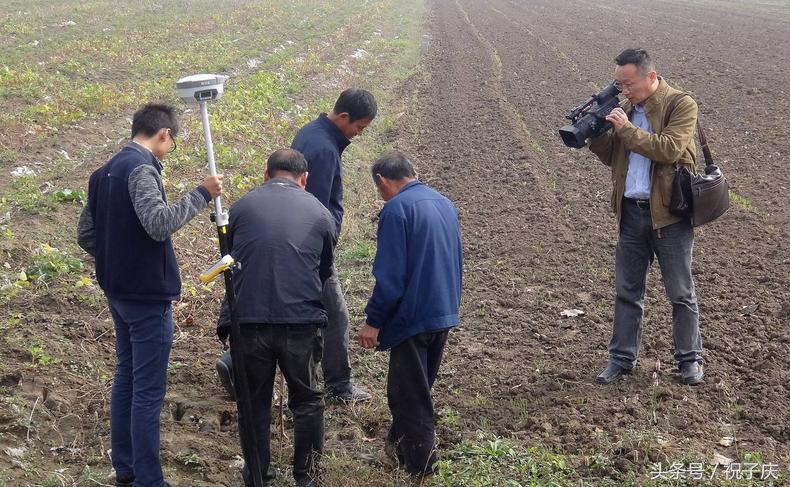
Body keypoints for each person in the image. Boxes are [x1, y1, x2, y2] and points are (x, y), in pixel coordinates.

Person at [77, 103, 223, 487]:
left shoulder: (102, 171)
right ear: (163, 135)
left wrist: (118, 258)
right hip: (145, 296)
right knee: (147, 390)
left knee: (126, 377)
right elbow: (158, 225)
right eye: (172, 142)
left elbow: (86, 235)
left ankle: (125, 468)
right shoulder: (141, 169)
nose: (170, 148)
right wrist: (201, 194)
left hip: (118, 291)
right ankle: (148, 479)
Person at [215, 89, 378, 403]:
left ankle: (236, 361)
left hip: (292, 247)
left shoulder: (311, 132)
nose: (358, 134)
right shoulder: (325, 149)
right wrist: (317, 253)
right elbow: (312, 208)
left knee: (271, 304)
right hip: (307, 250)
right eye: (358, 127)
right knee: (334, 314)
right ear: (343, 117)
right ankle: (338, 385)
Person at [218, 149, 334, 487]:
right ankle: (307, 478)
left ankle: (257, 477)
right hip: (300, 320)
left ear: (266, 175)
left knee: (253, 404)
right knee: (309, 401)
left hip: (249, 321)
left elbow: (228, 260)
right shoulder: (319, 211)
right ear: (304, 179)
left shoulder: (239, 207)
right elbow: (325, 271)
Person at [588, 48, 704, 386]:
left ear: (650, 77)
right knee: (627, 292)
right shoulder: (627, 110)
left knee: (681, 293)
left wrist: (625, 129)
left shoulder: (680, 105)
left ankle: (689, 360)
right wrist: (595, 134)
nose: (624, 91)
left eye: (628, 83)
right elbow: (615, 157)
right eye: (619, 84)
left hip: (669, 217)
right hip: (631, 214)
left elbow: (668, 149)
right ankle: (621, 360)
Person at [357, 151, 463, 477]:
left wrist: (374, 322)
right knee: (418, 387)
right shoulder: (443, 202)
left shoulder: (396, 210)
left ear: (383, 181)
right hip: (443, 309)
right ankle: (399, 446)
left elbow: (390, 278)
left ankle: (421, 468)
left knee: (408, 396)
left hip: (413, 316)